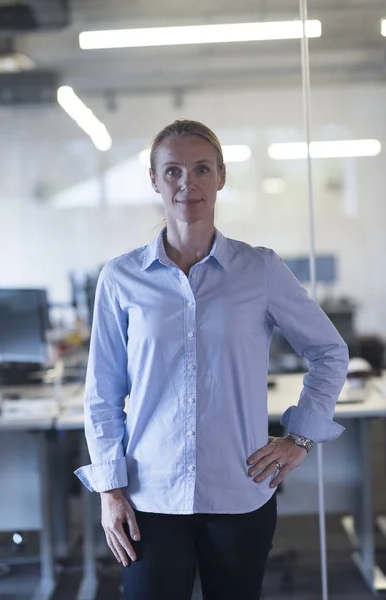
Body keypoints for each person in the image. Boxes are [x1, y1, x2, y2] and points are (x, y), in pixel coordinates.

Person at [75, 119, 349, 600]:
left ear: (220, 176)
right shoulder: (120, 278)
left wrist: (300, 437)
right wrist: (109, 490)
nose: (188, 183)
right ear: (155, 180)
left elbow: (328, 351)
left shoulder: (259, 269)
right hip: (148, 498)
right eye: (173, 170)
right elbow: (103, 393)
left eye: (201, 168)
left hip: (239, 491)